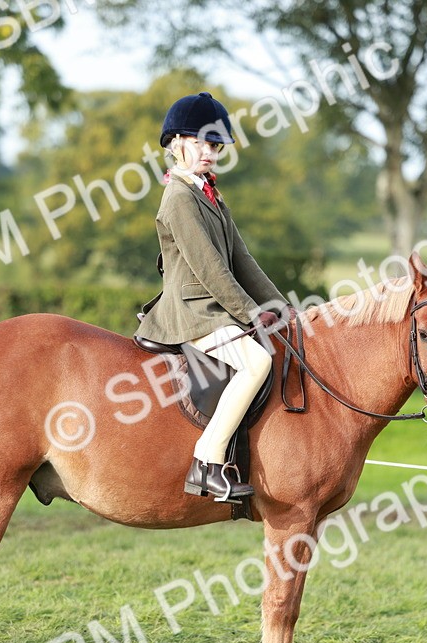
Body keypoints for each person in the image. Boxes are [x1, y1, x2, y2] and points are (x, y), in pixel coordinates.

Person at [135, 91, 287, 503]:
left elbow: (241, 259)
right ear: (176, 144)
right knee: (256, 362)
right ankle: (207, 462)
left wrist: (282, 307)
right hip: (192, 313)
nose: (209, 153)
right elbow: (209, 267)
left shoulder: (210, 194)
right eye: (201, 143)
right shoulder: (179, 197)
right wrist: (251, 313)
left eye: (215, 146)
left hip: (215, 310)